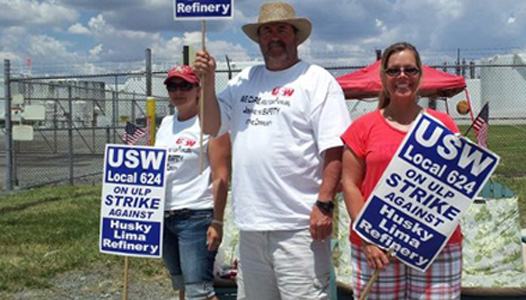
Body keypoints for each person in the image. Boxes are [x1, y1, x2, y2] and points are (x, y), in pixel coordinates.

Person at [193, 2, 351, 299]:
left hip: (300, 227)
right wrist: (208, 81)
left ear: (295, 36)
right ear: (259, 38)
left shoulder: (316, 80)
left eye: (282, 29)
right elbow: (211, 125)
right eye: (267, 30)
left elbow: (335, 148)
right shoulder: (244, 80)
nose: (274, 36)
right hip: (252, 226)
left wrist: (325, 204)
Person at [341, 42, 462, 300]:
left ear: (420, 75)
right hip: (377, 247)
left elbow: (457, 184)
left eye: (410, 69)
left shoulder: (443, 124)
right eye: (394, 71)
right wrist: (369, 239)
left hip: (434, 245)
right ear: (384, 77)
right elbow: (350, 184)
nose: (402, 76)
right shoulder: (362, 128)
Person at [155, 65, 231, 300]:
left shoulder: (211, 125)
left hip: (196, 217)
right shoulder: (166, 124)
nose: (178, 91)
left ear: (198, 89)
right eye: (172, 86)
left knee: (200, 292)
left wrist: (217, 221)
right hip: (164, 216)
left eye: (185, 85)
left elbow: (221, 176)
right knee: (182, 286)